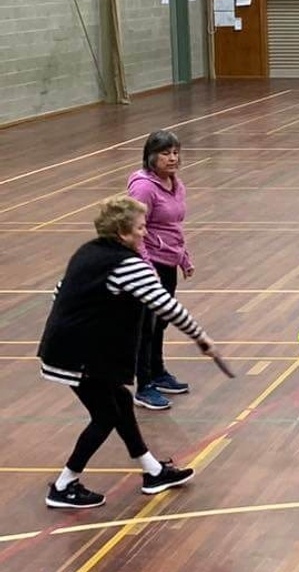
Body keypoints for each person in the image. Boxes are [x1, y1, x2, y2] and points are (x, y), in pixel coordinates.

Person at [38, 195, 218, 509]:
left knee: (120, 399)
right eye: (139, 227)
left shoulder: (88, 252)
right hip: (78, 357)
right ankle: (64, 484)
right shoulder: (127, 264)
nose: (144, 233)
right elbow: (165, 305)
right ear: (122, 232)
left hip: (68, 349)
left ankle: (153, 471)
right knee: (105, 415)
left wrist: (75, 322)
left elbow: (60, 291)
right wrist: (201, 338)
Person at [127, 130, 193, 411]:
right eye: (166, 153)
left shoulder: (176, 184)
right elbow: (134, 229)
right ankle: (144, 386)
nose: (173, 158)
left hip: (167, 263)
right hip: (148, 264)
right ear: (151, 156)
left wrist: (183, 258)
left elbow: (173, 227)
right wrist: (146, 268)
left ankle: (158, 371)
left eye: (175, 152)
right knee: (145, 327)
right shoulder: (143, 187)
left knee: (161, 322)